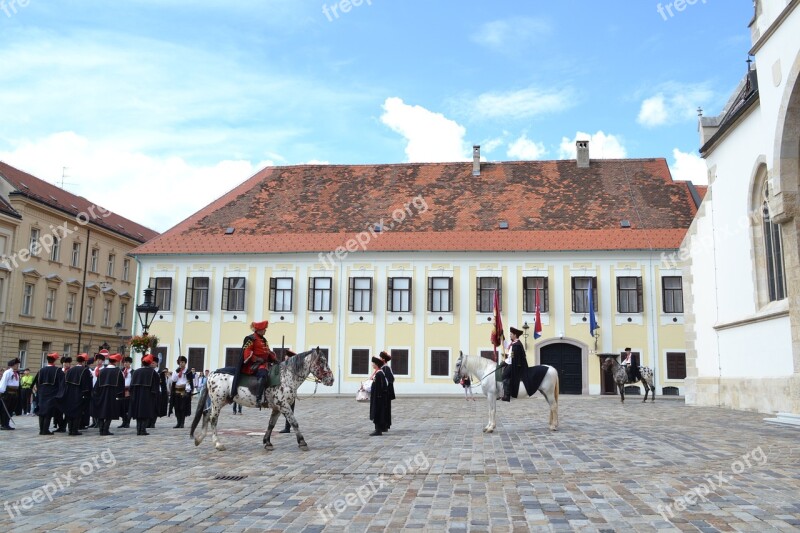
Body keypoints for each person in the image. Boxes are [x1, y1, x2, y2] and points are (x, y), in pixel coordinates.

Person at [231, 321, 277, 407]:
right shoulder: (250, 339)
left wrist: (274, 359)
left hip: (264, 364)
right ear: (259, 330)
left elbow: (267, 352)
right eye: (264, 329)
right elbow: (247, 353)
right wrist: (257, 359)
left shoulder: (264, 340)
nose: (265, 331)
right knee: (263, 375)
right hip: (254, 365)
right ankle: (258, 398)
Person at [32, 352, 66, 435]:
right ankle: (45, 430)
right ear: (54, 360)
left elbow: (35, 382)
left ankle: (41, 430)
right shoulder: (58, 370)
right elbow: (62, 384)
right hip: (52, 394)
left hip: (42, 393)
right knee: (48, 412)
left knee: (41, 411)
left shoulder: (41, 370)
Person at [93, 353, 125, 436]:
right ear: (116, 362)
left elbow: (97, 385)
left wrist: (96, 394)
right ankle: (105, 429)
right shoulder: (118, 372)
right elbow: (121, 386)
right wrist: (120, 396)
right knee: (110, 413)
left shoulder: (102, 371)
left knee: (101, 412)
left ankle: (101, 429)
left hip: (102, 394)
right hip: (113, 395)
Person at [130, 354, 160, 436]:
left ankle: (138, 429)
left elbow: (131, 385)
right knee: (145, 412)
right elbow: (156, 386)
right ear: (150, 363)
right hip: (148, 396)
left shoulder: (136, 372)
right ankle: (142, 430)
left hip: (137, 396)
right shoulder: (153, 373)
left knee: (138, 413)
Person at [62, 353, 93, 436]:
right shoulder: (85, 370)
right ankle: (74, 430)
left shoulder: (70, 370)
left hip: (69, 393)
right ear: (84, 362)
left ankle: (70, 429)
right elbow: (87, 385)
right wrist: (87, 394)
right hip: (79, 393)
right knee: (78, 412)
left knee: (70, 412)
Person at [501, 326, 529, 402]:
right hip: (510, 362)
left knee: (504, 376)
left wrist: (505, 362)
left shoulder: (517, 345)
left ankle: (507, 395)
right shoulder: (513, 343)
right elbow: (506, 345)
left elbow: (512, 358)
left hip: (513, 365)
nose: (510, 335)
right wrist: (502, 337)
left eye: (511, 334)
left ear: (515, 335)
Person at [368, 356, 390, 436]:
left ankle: (378, 430)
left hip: (378, 397)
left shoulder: (379, 374)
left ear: (376, 364)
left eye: (373, 363)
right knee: (378, 412)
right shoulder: (378, 373)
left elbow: (378, 387)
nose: (372, 365)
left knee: (377, 413)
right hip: (377, 397)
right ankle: (379, 429)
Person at [170, 356, 193, 428]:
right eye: (180, 362)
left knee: (182, 408)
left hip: (184, 391)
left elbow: (190, 382)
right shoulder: (176, 371)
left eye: (183, 362)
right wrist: (177, 372)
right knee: (176, 407)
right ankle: (178, 422)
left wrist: (188, 391)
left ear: (185, 363)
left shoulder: (188, 372)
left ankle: (182, 422)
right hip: (176, 390)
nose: (181, 364)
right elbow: (173, 380)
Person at [0, 358, 22, 430]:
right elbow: (3, 382)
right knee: (5, 409)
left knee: (11, 409)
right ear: (12, 365)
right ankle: (3, 424)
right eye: (16, 364)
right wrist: (1, 392)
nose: (17, 366)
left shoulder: (16, 373)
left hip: (14, 393)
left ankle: (7, 423)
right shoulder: (7, 372)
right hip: (7, 393)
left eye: (18, 364)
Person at [279, 350, 297, 433]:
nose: (286, 357)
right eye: (286, 356)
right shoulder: (283, 365)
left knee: (289, 410)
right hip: (283, 390)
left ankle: (288, 428)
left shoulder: (292, 368)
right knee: (286, 409)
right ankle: (288, 427)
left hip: (290, 392)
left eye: (288, 356)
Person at [378, 351, 395, 432]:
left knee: (385, 409)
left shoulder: (386, 368)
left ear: (383, 359)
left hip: (385, 392)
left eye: (380, 358)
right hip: (385, 392)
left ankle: (384, 425)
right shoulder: (384, 368)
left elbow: (390, 380)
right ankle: (384, 425)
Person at [117, 356, 133, 429]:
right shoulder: (121, 371)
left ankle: (128, 422)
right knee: (121, 407)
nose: (125, 364)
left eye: (127, 362)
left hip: (129, 391)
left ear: (130, 363)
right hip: (122, 390)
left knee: (128, 407)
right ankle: (123, 421)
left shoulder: (132, 372)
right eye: (124, 362)